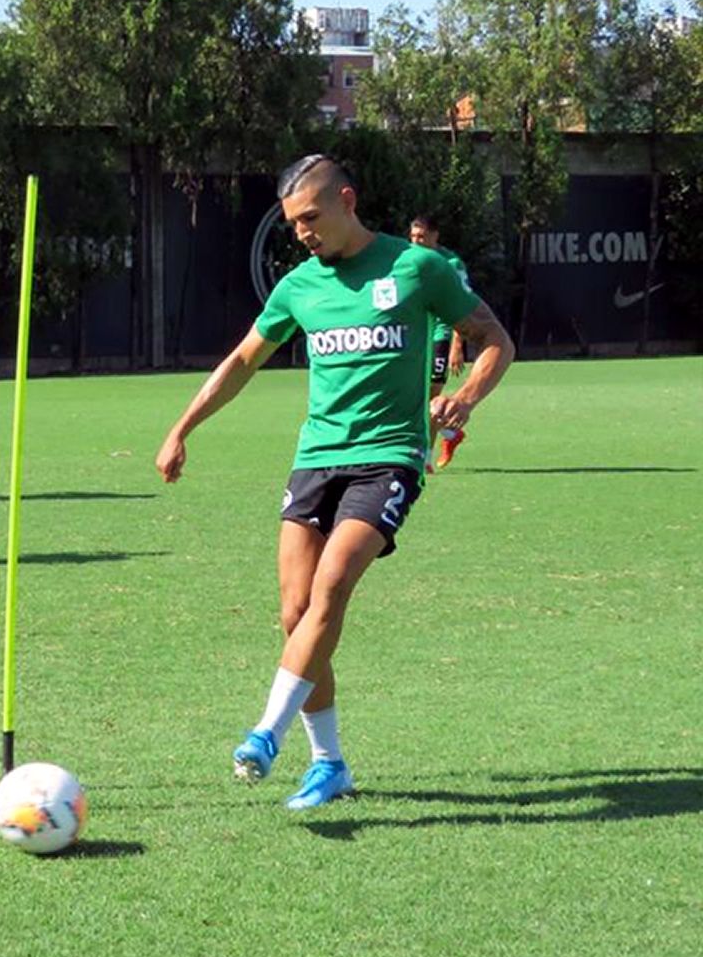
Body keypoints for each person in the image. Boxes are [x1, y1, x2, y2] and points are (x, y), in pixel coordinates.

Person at [154, 155, 512, 810]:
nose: (302, 232)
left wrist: (465, 396)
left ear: (347, 200)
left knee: (332, 585)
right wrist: (182, 428)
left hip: (390, 456)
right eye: (293, 223)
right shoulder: (298, 286)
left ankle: (266, 732)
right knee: (295, 613)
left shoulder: (417, 268)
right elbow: (242, 360)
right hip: (316, 459)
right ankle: (329, 764)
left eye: (311, 217)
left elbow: (495, 339)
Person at [407, 215, 474, 470]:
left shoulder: (451, 264)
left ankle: (425, 457)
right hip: (415, 335)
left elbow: (463, 306)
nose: (416, 241)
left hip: (440, 336)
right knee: (413, 395)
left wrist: (457, 345)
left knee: (432, 396)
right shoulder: (407, 259)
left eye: (421, 236)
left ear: (435, 236)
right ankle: (450, 433)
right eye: (413, 236)